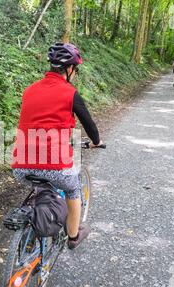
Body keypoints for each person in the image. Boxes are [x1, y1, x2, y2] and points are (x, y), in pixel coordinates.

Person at [11, 42, 104, 250]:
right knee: (72, 189)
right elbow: (89, 125)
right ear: (70, 69)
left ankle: (34, 224)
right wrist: (97, 142)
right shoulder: (70, 93)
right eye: (75, 70)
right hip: (53, 166)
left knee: (40, 182)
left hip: (20, 166)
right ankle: (72, 236)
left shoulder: (29, 90)